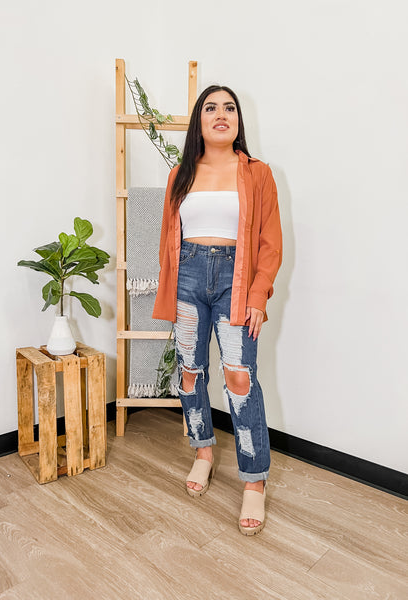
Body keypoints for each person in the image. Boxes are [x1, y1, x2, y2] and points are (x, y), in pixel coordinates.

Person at [152, 85, 282, 535]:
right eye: (211, 108)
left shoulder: (258, 173)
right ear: (199, 121)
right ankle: (203, 451)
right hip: (189, 275)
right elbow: (169, 238)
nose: (221, 114)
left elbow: (269, 242)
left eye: (229, 108)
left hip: (237, 281)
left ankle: (254, 478)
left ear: (238, 120)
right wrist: (169, 285)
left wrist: (259, 296)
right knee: (190, 370)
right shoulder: (180, 174)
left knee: (239, 378)